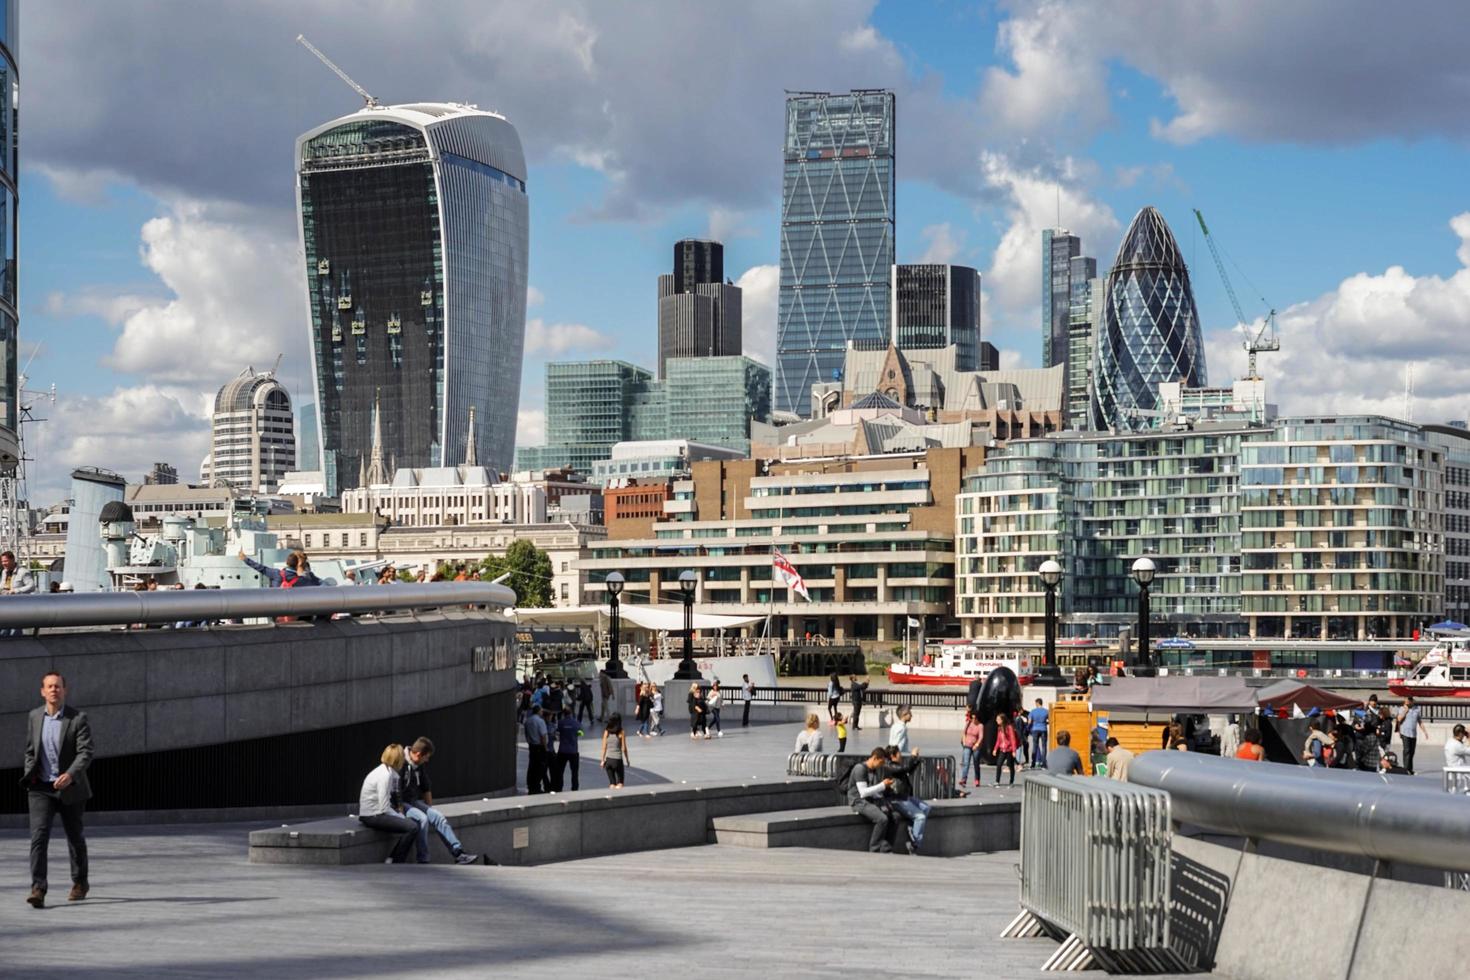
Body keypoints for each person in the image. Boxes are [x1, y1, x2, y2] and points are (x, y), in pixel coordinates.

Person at [22, 672, 93, 908]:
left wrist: (70, 774)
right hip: (41, 788)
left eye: (58, 687)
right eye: (50, 687)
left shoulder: (77, 718)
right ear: (43, 691)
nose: (54, 690)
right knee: (38, 838)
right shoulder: (34, 717)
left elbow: (86, 752)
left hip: (70, 788)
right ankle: (38, 888)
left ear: (65, 690)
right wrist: (30, 770)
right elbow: (31, 750)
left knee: (74, 837)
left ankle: (80, 882)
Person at [398, 737, 479, 864]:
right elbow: (395, 790)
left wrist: (430, 809)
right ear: (418, 754)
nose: (427, 760)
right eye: (426, 757)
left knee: (438, 817)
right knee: (422, 819)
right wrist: (400, 811)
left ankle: (458, 853)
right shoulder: (401, 762)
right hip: (400, 803)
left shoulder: (418, 765)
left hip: (413, 801)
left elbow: (426, 787)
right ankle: (423, 859)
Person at [358, 743, 418, 865]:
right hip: (373, 816)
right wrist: (400, 816)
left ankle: (394, 859)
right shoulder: (384, 775)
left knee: (410, 823)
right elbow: (384, 807)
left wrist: (399, 815)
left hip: (374, 813)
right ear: (398, 759)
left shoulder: (387, 771)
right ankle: (395, 860)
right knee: (412, 827)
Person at [846, 748, 897, 853]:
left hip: (870, 799)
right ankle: (875, 848)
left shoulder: (873, 770)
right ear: (874, 758)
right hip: (858, 801)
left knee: (895, 817)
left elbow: (873, 790)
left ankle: (886, 847)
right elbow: (863, 792)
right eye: (881, 762)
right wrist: (883, 785)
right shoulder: (860, 769)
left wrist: (884, 792)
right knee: (882, 819)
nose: (882, 765)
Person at [883, 746, 930, 854]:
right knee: (920, 816)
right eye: (899, 753)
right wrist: (913, 756)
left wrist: (916, 760)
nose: (901, 755)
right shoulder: (888, 766)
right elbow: (905, 768)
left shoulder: (897, 766)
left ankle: (912, 829)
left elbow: (908, 770)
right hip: (896, 799)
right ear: (892, 755)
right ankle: (914, 844)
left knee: (926, 808)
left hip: (905, 797)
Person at [238, 548, 322, 588]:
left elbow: (261, 568)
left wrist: (245, 559)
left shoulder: (276, 574)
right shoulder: (302, 580)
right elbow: (317, 585)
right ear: (298, 564)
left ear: (287, 562)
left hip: (276, 610)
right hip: (292, 612)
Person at [550, 710, 583, 793]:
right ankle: (574, 788)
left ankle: (559, 788)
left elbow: (557, 732)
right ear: (571, 713)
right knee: (574, 772)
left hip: (562, 751)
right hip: (573, 751)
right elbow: (581, 733)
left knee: (560, 771)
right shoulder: (576, 723)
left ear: (564, 714)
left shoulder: (561, 723)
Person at [523, 706, 550, 795]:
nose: (542, 712)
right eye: (541, 711)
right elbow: (543, 736)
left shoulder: (528, 721)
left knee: (532, 766)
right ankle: (537, 786)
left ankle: (531, 785)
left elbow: (526, 734)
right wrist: (545, 748)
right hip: (539, 747)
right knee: (540, 767)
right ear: (538, 711)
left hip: (532, 746)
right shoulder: (540, 721)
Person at [601, 713, 629, 788]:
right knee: (620, 783)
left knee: (612, 784)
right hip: (617, 761)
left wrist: (602, 760)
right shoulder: (621, 732)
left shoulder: (606, 731)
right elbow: (624, 748)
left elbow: (604, 747)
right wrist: (627, 759)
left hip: (608, 760)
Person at [1395, 696, 1422, 775]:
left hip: (1413, 734)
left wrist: (1425, 731)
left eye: (1410, 700)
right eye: (1407, 700)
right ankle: (1406, 769)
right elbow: (1399, 719)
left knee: (1412, 751)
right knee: (1407, 751)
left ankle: (1410, 769)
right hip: (1405, 733)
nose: (1408, 702)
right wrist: (1405, 711)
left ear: (1412, 701)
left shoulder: (1417, 709)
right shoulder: (1402, 709)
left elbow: (1419, 721)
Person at [959, 709, 983, 790]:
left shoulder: (980, 726)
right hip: (967, 745)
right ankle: (963, 779)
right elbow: (964, 732)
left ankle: (977, 779)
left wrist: (977, 744)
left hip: (976, 746)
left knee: (976, 763)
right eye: (972, 718)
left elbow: (981, 737)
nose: (973, 720)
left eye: (975, 718)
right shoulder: (968, 723)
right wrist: (964, 741)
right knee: (966, 763)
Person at [993, 713, 1020, 786]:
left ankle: (1011, 781)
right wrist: (995, 749)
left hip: (1009, 749)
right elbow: (998, 740)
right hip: (1002, 749)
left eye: (998, 719)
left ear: (1002, 720)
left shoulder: (1009, 727)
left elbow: (1013, 739)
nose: (996, 720)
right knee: (999, 764)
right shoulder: (999, 728)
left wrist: (1014, 751)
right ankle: (997, 781)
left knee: (1010, 765)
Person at [1027, 699, 1049, 769]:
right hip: (1043, 729)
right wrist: (1045, 722)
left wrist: (1028, 728)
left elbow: (1029, 722)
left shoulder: (1033, 711)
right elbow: (1050, 720)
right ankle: (1044, 764)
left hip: (1035, 729)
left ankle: (1033, 763)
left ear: (1037, 703)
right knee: (1044, 747)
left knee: (1035, 746)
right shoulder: (1046, 711)